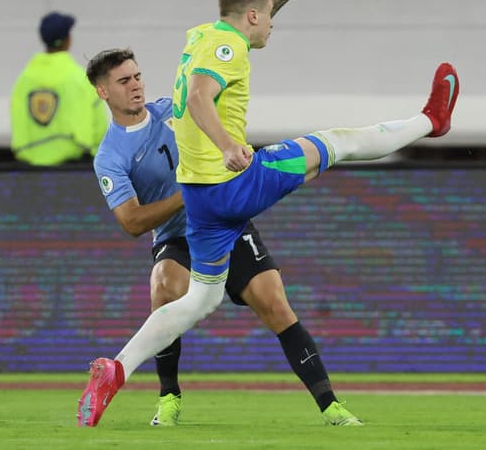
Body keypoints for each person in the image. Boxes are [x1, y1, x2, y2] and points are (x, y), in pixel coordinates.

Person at [77, 0, 460, 427]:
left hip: (202, 204)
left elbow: (246, 21)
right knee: (339, 143)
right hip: (234, 183)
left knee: (201, 299)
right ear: (252, 18)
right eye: (269, 19)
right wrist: (229, 147)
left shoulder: (202, 36)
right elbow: (199, 96)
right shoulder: (224, 52)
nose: (271, 28)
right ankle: (431, 121)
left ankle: (116, 368)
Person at [83, 46, 362, 427]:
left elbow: (227, 59)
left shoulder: (171, 110)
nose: (136, 86)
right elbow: (132, 222)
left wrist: (272, 8)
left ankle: (331, 406)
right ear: (103, 92)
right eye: (124, 81)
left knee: (275, 302)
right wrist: (189, 194)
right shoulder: (110, 155)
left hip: (226, 222)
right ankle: (169, 398)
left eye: (137, 76)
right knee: (165, 285)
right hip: (177, 237)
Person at [10, 12, 108, 166]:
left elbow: (18, 122)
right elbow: (99, 127)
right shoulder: (80, 79)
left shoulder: (24, 80)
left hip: (30, 171)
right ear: (68, 40)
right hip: (74, 170)